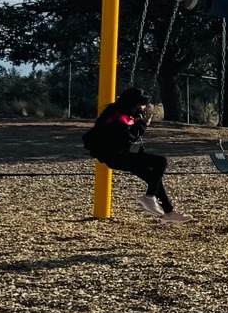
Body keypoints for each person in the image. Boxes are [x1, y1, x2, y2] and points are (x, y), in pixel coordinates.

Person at [82, 88, 191, 224]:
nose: (144, 107)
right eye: (142, 104)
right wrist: (143, 125)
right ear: (134, 103)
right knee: (161, 162)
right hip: (117, 157)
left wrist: (139, 126)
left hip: (117, 155)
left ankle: (169, 213)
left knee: (153, 178)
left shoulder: (115, 113)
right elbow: (126, 139)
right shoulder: (118, 119)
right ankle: (149, 198)